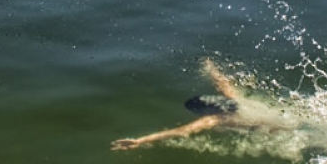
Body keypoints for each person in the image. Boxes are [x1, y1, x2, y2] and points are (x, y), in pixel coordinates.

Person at [111, 58, 280, 150]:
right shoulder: (233, 98)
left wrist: (140, 141)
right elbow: (222, 82)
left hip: (279, 131)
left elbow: (180, 132)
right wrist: (210, 67)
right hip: (285, 115)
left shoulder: (216, 120)